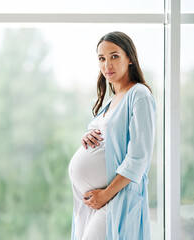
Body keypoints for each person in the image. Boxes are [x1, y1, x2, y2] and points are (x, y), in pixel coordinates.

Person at [68, 31, 156, 240]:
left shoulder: (139, 94)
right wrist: (87, 137)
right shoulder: (113, 100)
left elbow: (139, 157)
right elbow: (109, 138)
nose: (107, 64)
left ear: (130, 59)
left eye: (114, 56)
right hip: (93, 202)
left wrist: (105, 195)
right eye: (102, 58)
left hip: (114, 198)